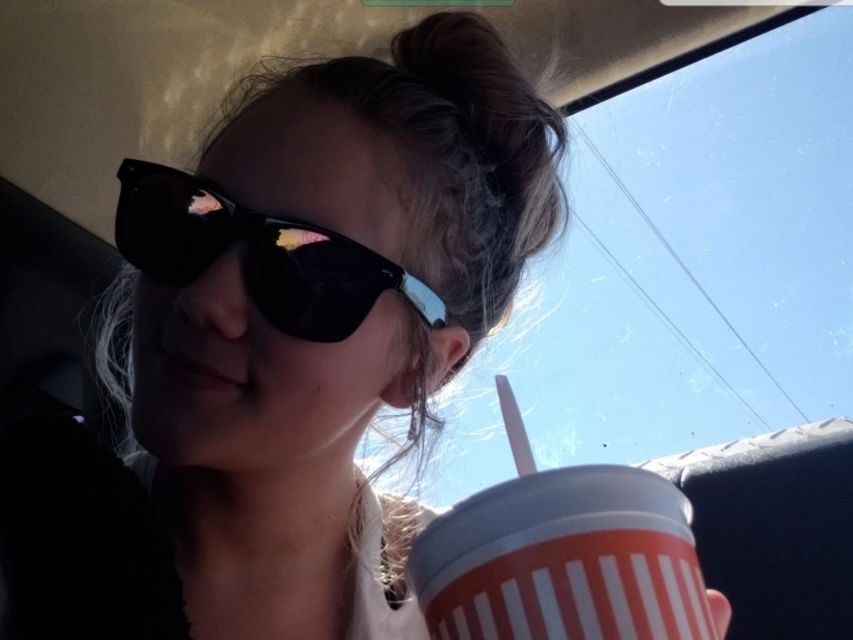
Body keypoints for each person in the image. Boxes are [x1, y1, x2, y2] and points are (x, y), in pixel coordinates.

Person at [84, 10, 730, 640]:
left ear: (420, 365)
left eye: (307, 271)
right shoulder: (44, 528)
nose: (203, 299)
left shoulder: (473, 614)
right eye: (191, 218)